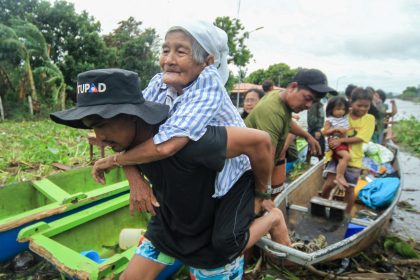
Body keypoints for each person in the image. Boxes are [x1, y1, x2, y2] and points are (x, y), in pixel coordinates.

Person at [50, 68, 291, 279]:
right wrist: (133, 175)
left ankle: (273, 218)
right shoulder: (124, 142)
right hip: (170, 220)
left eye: (102, 124)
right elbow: (125, 149)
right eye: (93, 127)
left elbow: (260, 142)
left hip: (211, 229)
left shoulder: (186, 138)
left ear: (133, 115)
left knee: (225, 245)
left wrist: (262, 192)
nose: (99, 138)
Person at [90, 21, 251, 215]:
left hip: (230, 175)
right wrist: (133, 176)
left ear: (207, 62)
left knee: (224, 241)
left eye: (180, 52)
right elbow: (134, 122)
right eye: (165, 50)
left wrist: (113, 161)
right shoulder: (161, 81)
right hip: (193, 170)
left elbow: (166, 145)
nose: (169, 60)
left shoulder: (209, 83)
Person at [245, 68, 337, 197]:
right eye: (307, 98)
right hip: (248, 169)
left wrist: (307, 136)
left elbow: (287, 121)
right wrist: (263, 196)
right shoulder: (271, 111)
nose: (309, 105)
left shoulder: (278, 95)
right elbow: (265, 159)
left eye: (314, 102)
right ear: (293, 87)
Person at [320, 87, 375, 213]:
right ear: (351, 101)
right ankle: (321, 205)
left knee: (349, 189)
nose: (362, 109)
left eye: (366, 106)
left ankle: (346, 215)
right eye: (359, 105)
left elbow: (361, 137)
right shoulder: (342, 113)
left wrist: (341, 140)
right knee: (329, 183)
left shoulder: (369, 119)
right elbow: (327, 128)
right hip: (335, 155)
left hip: (354, 158)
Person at [322, 96, 352, 188]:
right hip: (334, 141)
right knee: (346, 156)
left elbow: (353, 108)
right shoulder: (330, 120)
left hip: (343, 142)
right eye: (338, 109)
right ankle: (339, 176)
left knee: (340, 159)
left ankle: (339, 176)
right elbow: (325, 132)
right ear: (331, 109)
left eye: (343, 109)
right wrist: (335, 129)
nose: (341, 111)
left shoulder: (345, 116)